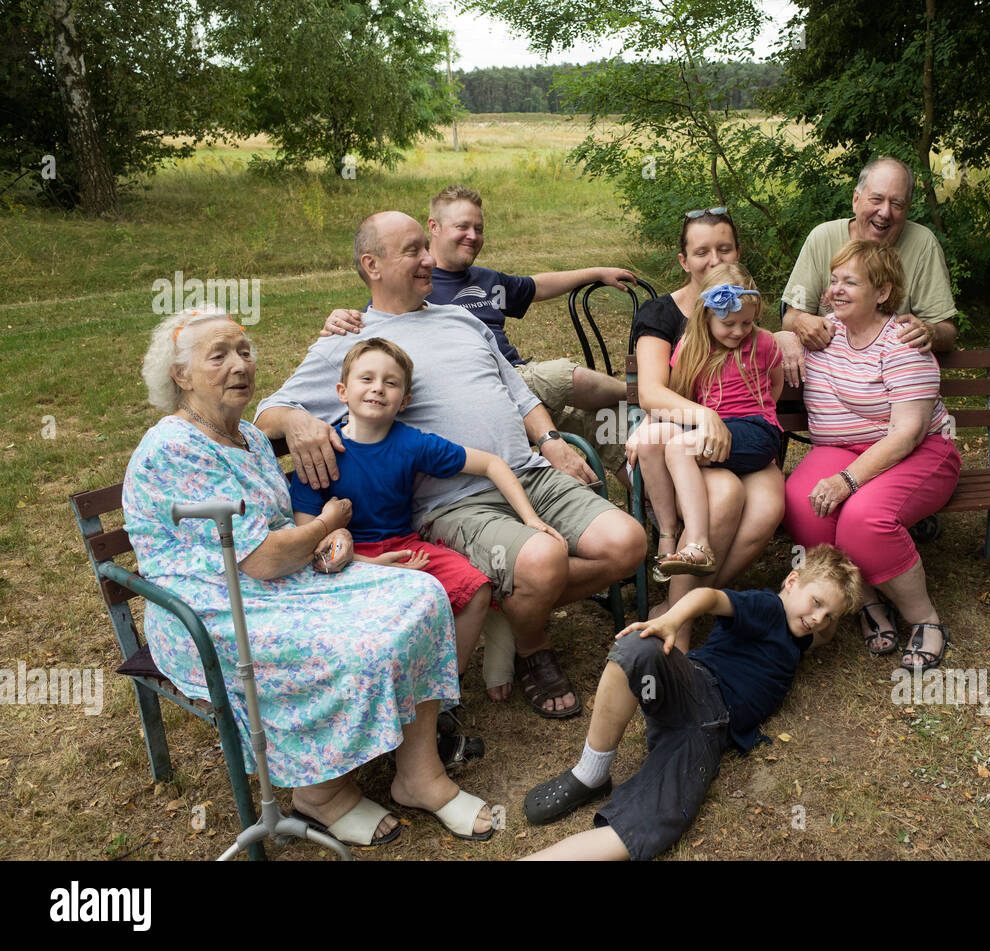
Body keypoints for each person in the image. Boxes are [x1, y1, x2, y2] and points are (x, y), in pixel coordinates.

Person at [123, 309, 494, 845]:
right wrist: (330, 522)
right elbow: (263, 558)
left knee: (422, 593)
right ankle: (320, 792)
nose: (239, 365)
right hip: (212, 609)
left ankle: (419, 776)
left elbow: (278, 530)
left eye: (244, 351)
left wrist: (330, 541)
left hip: (281, 582)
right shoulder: (173, 448)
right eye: (219, 355)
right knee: (352, 645)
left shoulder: (247, 437)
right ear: (181, 375)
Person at [256, 211, 646, 719]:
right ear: (372, 265)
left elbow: (518, 390)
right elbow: (264, 416)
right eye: (413, 251)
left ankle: (510, 604)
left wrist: (550, 440)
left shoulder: (460, 318)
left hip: (527, 473)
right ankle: (533, 646)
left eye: (426, 247)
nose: (428, 260)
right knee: (540, 562)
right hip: (452, 502)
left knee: (628, 544)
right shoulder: (350, 342)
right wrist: (297, 421)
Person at [519, 544, 864, 861]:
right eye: (816, 603)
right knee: (637, 647)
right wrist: (671, 619)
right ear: (791, 581)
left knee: (651, 823)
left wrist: (831, 603)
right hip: (695, 686)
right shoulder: (768, 608)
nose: (819, 619)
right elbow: (709, 597)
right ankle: (590, 772)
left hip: (704, 731)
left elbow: (824, 630)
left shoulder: (798, 635)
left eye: (829, 616)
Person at [288, 336, 567, 702]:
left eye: (390, 382)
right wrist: (370, 564)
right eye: (366, 379)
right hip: (346, 559)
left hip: (405, 547)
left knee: (476, 588)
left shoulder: (411, 443)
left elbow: (491, 463)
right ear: (342, 391)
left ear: (404, 401)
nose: (377, 388)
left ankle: (441, 695)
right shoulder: (322, 455)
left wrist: (529, 517)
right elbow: (308, 540)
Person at [320, 184, 636, 486]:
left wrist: (596, 273)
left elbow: (536, 286)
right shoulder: (413, 286)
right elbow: (380, 322)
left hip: (521, 386)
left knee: (604, 418)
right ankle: (644, 393)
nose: (473, 236)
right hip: (484, 385)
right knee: (566, 376)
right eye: (462, 227)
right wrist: (342, 318)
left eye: (479, 229)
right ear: (434, 227)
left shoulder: (487, 280)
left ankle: (650, 501)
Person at [782, 240, 962, 671]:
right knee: (802, 506)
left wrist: (846, 481)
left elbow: (908, 433)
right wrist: (783, 335)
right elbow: (753, 340)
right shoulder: (823, 332)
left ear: (881, 292)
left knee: (864, 519)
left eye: (850, 282)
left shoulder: (901, 341)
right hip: (839, 449)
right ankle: (866, 603)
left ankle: (925, 619)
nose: (835, 290)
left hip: (919, 451)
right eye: (833, 280)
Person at [629, 208, 801, 645]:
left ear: (736, 253)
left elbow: (773, 386)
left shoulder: (749, 326)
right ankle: (682, 614)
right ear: (684, 259)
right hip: (702, 436)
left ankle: (682, 603)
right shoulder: (670, 321)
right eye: (701, 251)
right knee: (723, 496)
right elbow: (660, 391)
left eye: (722, 249)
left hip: (745, 436)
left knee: (765, 512)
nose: (712, 258)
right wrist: (695, 419)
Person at [632, 264, 783, 581]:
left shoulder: (764, 343)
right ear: (706, 317)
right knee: (653, 439)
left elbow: (775, 384)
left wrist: (756, 412)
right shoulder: (691, 347)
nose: (739, 331)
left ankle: (699, 544)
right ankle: (667, 533)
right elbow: (674, 395)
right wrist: (645, 427)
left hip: (756, 429)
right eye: (729, 323)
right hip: (710, 429)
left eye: (747, 322)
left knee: (679, 449)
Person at [782, 157, 960, 355]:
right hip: (831, 374)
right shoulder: (822, 238)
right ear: (856, 200)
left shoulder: (923, 244)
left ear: (907, 209)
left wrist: (930, 332)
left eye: (897, 204)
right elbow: (790, 318)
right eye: (876, 199)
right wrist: (800, 321)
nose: (885, 212)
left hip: (894, 374)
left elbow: (947, 331)